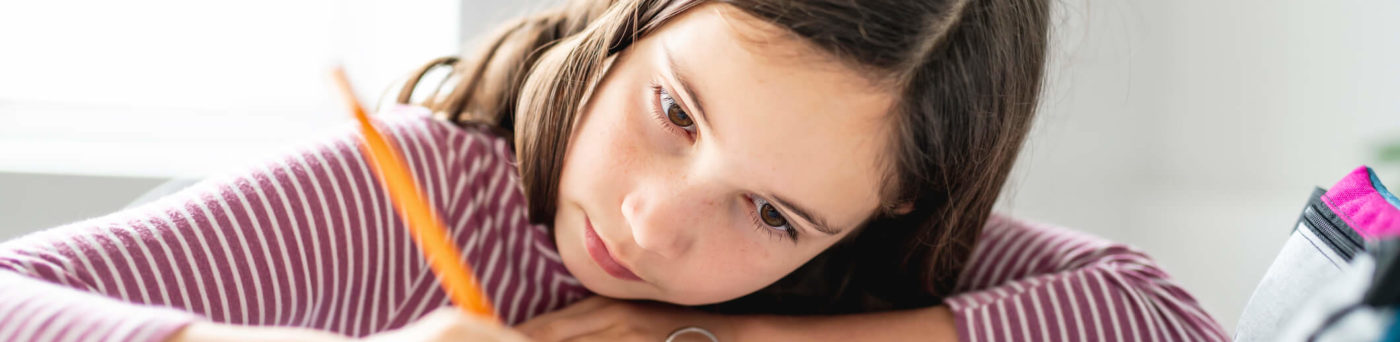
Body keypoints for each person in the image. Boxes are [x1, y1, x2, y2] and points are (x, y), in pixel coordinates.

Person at [0, 0, 1228, 340]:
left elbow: (1157, 320)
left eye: (768, 211)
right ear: (639, 16)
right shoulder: (412, 198)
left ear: (867, 222)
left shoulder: (849, 279)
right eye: (672, 111)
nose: (648, 225)